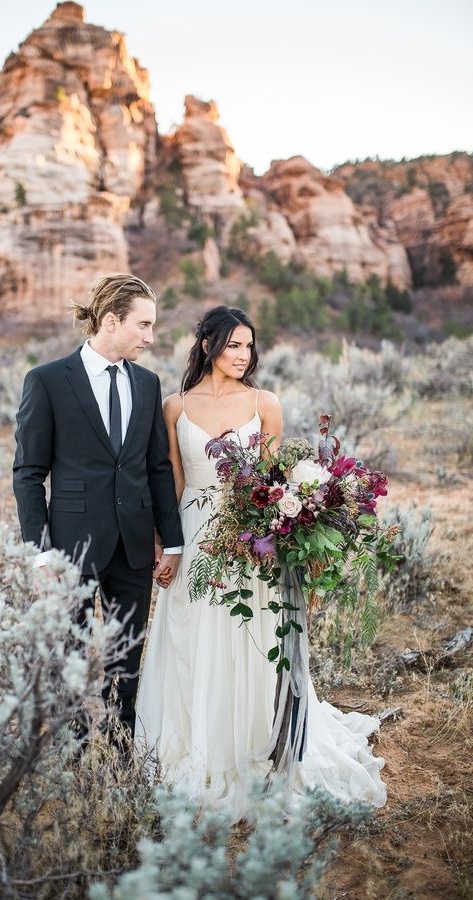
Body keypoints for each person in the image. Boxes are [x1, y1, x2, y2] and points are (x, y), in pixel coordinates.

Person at [136, 306, 387, 820]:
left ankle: (255, 743)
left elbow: (272, 482)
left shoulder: (265, 403)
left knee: (253, 637)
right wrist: (166, 542)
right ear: (207, 345)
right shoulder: (174, 407)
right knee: (192, 636)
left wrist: (280, 525)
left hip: (252, 538)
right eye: (232, 345)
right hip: (196, 535)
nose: (242, 355)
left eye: (248, 346)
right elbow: (175, 483)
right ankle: (196, 743)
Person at [13, 274, 183, 738]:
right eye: (143, 325)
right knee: (70, 662)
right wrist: (41, 551)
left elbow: (157, 468)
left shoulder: (147, 384)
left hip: (133, 547)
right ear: (111, 321)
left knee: (127, 662)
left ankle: (122, 749)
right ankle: (75, 757)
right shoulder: (47, 381)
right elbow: (28, 473)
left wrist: (173, 540)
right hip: (68, 551)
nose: (151, 337)